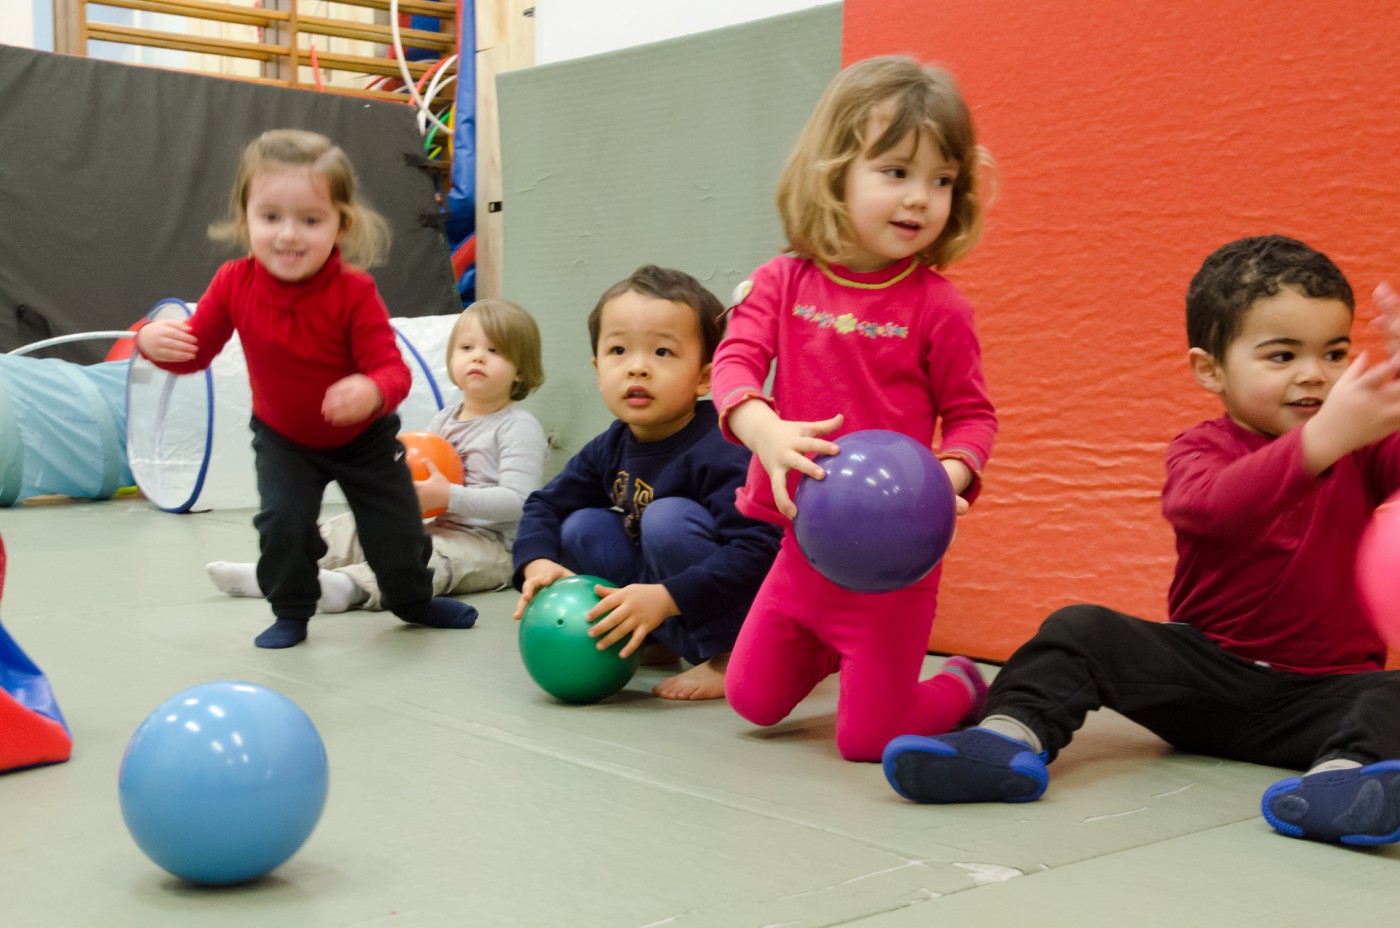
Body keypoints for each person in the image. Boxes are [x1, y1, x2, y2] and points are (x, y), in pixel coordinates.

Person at [882, 235, 1400, 847]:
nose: (1315, 374)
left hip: (1324, 698)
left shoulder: (1363, 450)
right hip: (1203, 681)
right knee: (1079, 628)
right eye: (1282, 356)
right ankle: (1005, 738)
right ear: (1211, 369)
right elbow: (1212, 507)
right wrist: (1323, 441)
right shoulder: (1201, 449)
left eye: (1335, 353)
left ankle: (1344, 783)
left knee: (1392, 696)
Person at [710, 55, 998, 762]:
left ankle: (960, 684)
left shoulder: (939, 308)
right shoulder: (784, 281)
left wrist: (949, 477)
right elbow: (733, 366)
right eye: (896, 172)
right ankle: (833, 654)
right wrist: (765, 431)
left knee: (869, 740)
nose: (920, 198)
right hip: (802, 549)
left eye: (941, 180)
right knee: (750, 703)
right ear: (834, 170)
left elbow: (973, 419)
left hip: (892, 566)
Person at [136, 129, 477, 648]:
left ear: (341, 223)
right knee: (283, 524)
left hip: (363, 441)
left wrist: (369, 388)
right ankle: (291, 610)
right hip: (283, 439)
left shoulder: (353, 291)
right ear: (245, 216)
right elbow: (196, 352)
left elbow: (393, 370)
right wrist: (152, 342)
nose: (289, 235)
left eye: (310, 220)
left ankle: (413, 601)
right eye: (270, 217)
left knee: (397, 529)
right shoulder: (233, 282)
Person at [511, 265, 781, 700]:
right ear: (598, 370)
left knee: (665, 516)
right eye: (619, 350)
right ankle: (656, 639)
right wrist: (536, 561)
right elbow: (545, 504)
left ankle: (730, 655)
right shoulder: (610, 447)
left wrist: (668, 596)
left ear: (705, 376)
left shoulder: (724, 447)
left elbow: (757, 553)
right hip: (673, 605)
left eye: (662, 353)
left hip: (746, 617)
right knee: (581, 525)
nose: (637, 368)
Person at [207, 298, 548, 612]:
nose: (478, 356)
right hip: (434, 525)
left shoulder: (518, 426)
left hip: (491, 545)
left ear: (520, 370)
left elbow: (520, 501)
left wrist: (447, 496)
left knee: (437, 562)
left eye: (494, 350)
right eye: (467, 347)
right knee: (358, 524)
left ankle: (348, 586)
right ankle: (281, 570)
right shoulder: (445, 418)